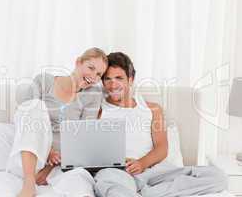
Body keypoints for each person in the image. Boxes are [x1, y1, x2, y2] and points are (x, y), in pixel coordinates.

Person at [94, 52, 228, 197]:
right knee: (109, 185)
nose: (113, 85)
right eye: (107, 79)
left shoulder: (152, 109)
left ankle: (146, 193)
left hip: (154, 171)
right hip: (118, 173)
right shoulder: (98, 110)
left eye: (119, 78)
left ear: (130, 79)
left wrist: (142, 163)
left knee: (217, 177)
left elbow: (162, 147)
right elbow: (91, 150)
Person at [7, 47, 108, 197]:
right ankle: (29, 184)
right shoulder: (44, 81)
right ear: (78, 62)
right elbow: (23, 116)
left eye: (99, 74)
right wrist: (47, 151)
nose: (93, 76)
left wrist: (49, 167)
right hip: (28, 157)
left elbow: (82, 137)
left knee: (81, 182)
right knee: (34, 106)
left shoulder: (92, 95)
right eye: (91, 68)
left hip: (58, 164)